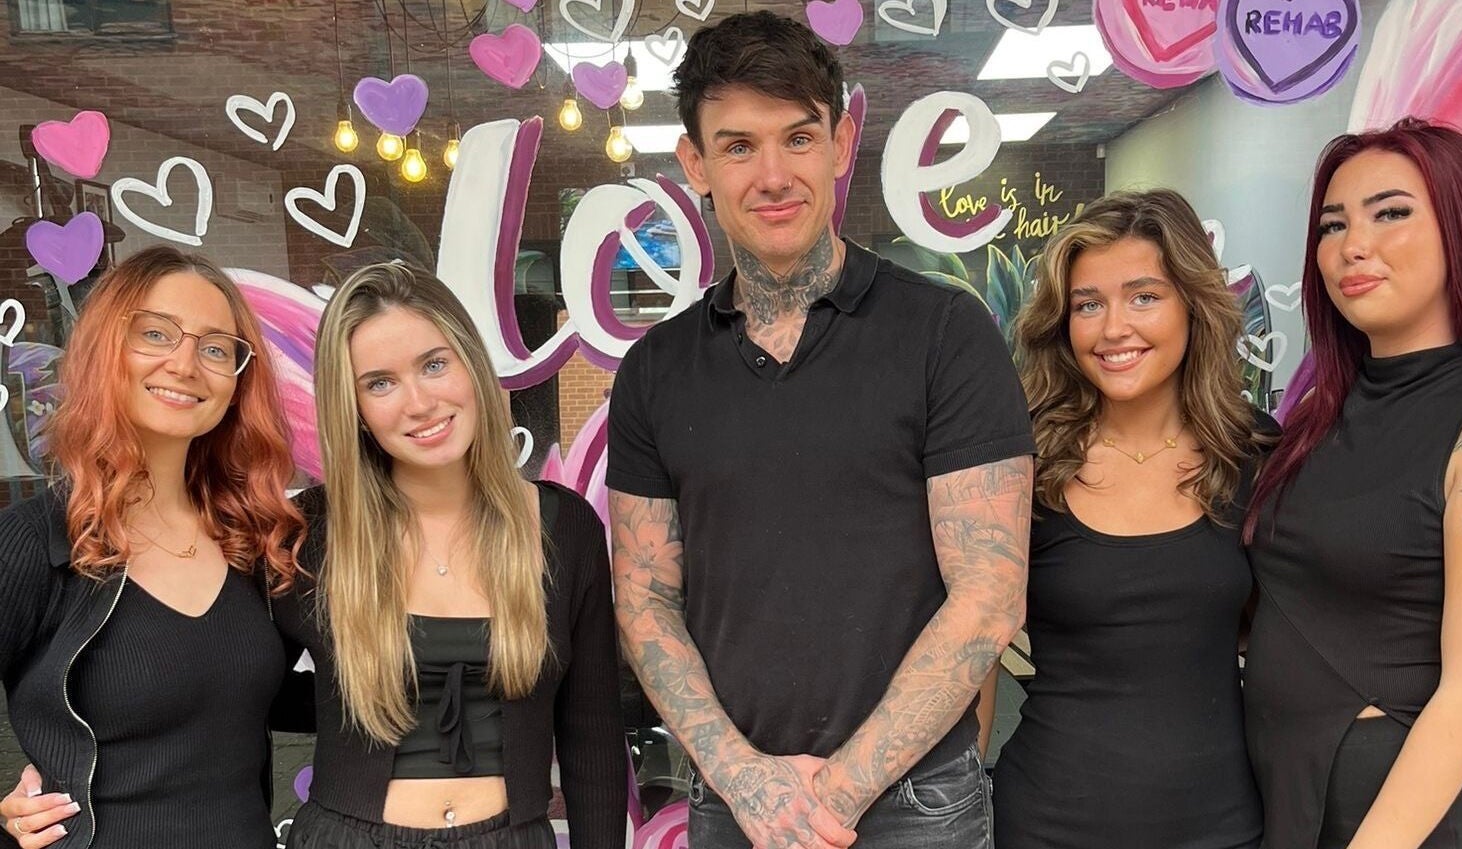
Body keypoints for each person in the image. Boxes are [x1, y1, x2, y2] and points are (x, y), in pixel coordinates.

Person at [605, 11, 1034, 849]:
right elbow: (645, 600)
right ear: (695, 164)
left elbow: (989, 595)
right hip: (736, 799)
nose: (773, 175)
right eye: (738, 145)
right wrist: (744, 779)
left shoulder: (944, 334)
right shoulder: (655, 370)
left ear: (840, 145)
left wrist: (830, 797)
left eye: (798, 137)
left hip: (915, 805)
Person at [1243, 117, 1462, 848]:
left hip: (1403, 816)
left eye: (1391, 213)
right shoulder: (1316, 415)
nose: (1353, 245)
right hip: (1289, 796)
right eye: (1333, 224)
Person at [275, 262, 626, 849]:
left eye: (434, 365)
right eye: (379, 383)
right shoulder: (306, 534)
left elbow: (591, 732)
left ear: (471, 364)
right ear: (352, 406)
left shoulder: (563, 529)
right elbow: (230, 696)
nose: (420, 403)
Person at [0, 246, 307, 849]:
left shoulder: (252, 540)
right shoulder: (36, 543)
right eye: (156, 334)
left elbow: (268, 700)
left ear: (236, 384)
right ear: (104, 351)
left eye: (216, 348)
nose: (185, 364)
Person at [991, 189, 1271, 848]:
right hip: (1047, 826)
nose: (1113, 328)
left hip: (1224, 827)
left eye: (1144, 296)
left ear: (1193, 305)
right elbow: (972, 661)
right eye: (1088, 304)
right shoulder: (1022, 462)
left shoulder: (1255, 454)